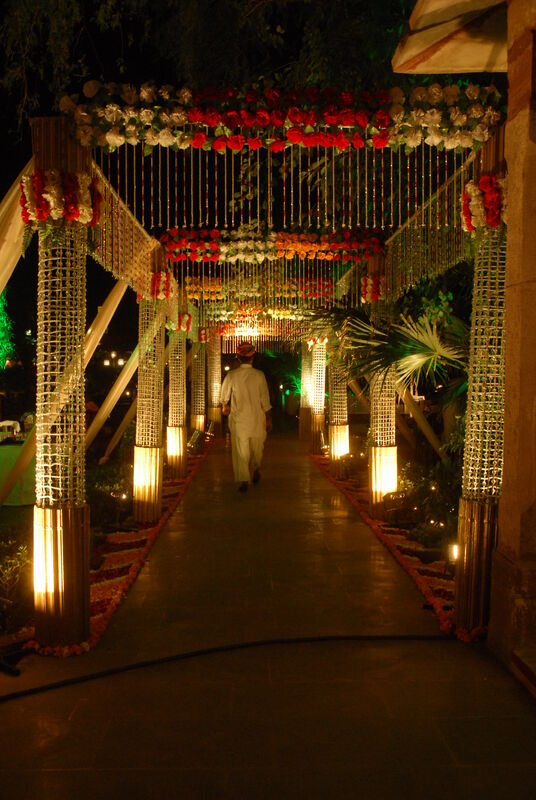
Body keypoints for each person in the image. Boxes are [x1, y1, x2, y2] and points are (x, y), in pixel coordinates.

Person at [220, 341, 272, 493]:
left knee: (241, 451)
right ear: (252, 357)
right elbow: (265, 400)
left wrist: (225, 406)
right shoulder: (259, 375)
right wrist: (268, 419)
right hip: (257, 419)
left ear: (238, 357)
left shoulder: (232, 375)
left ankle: (244, 479)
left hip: (239, 420)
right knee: (257, 449)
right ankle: (255, 468)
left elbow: (224, 398)